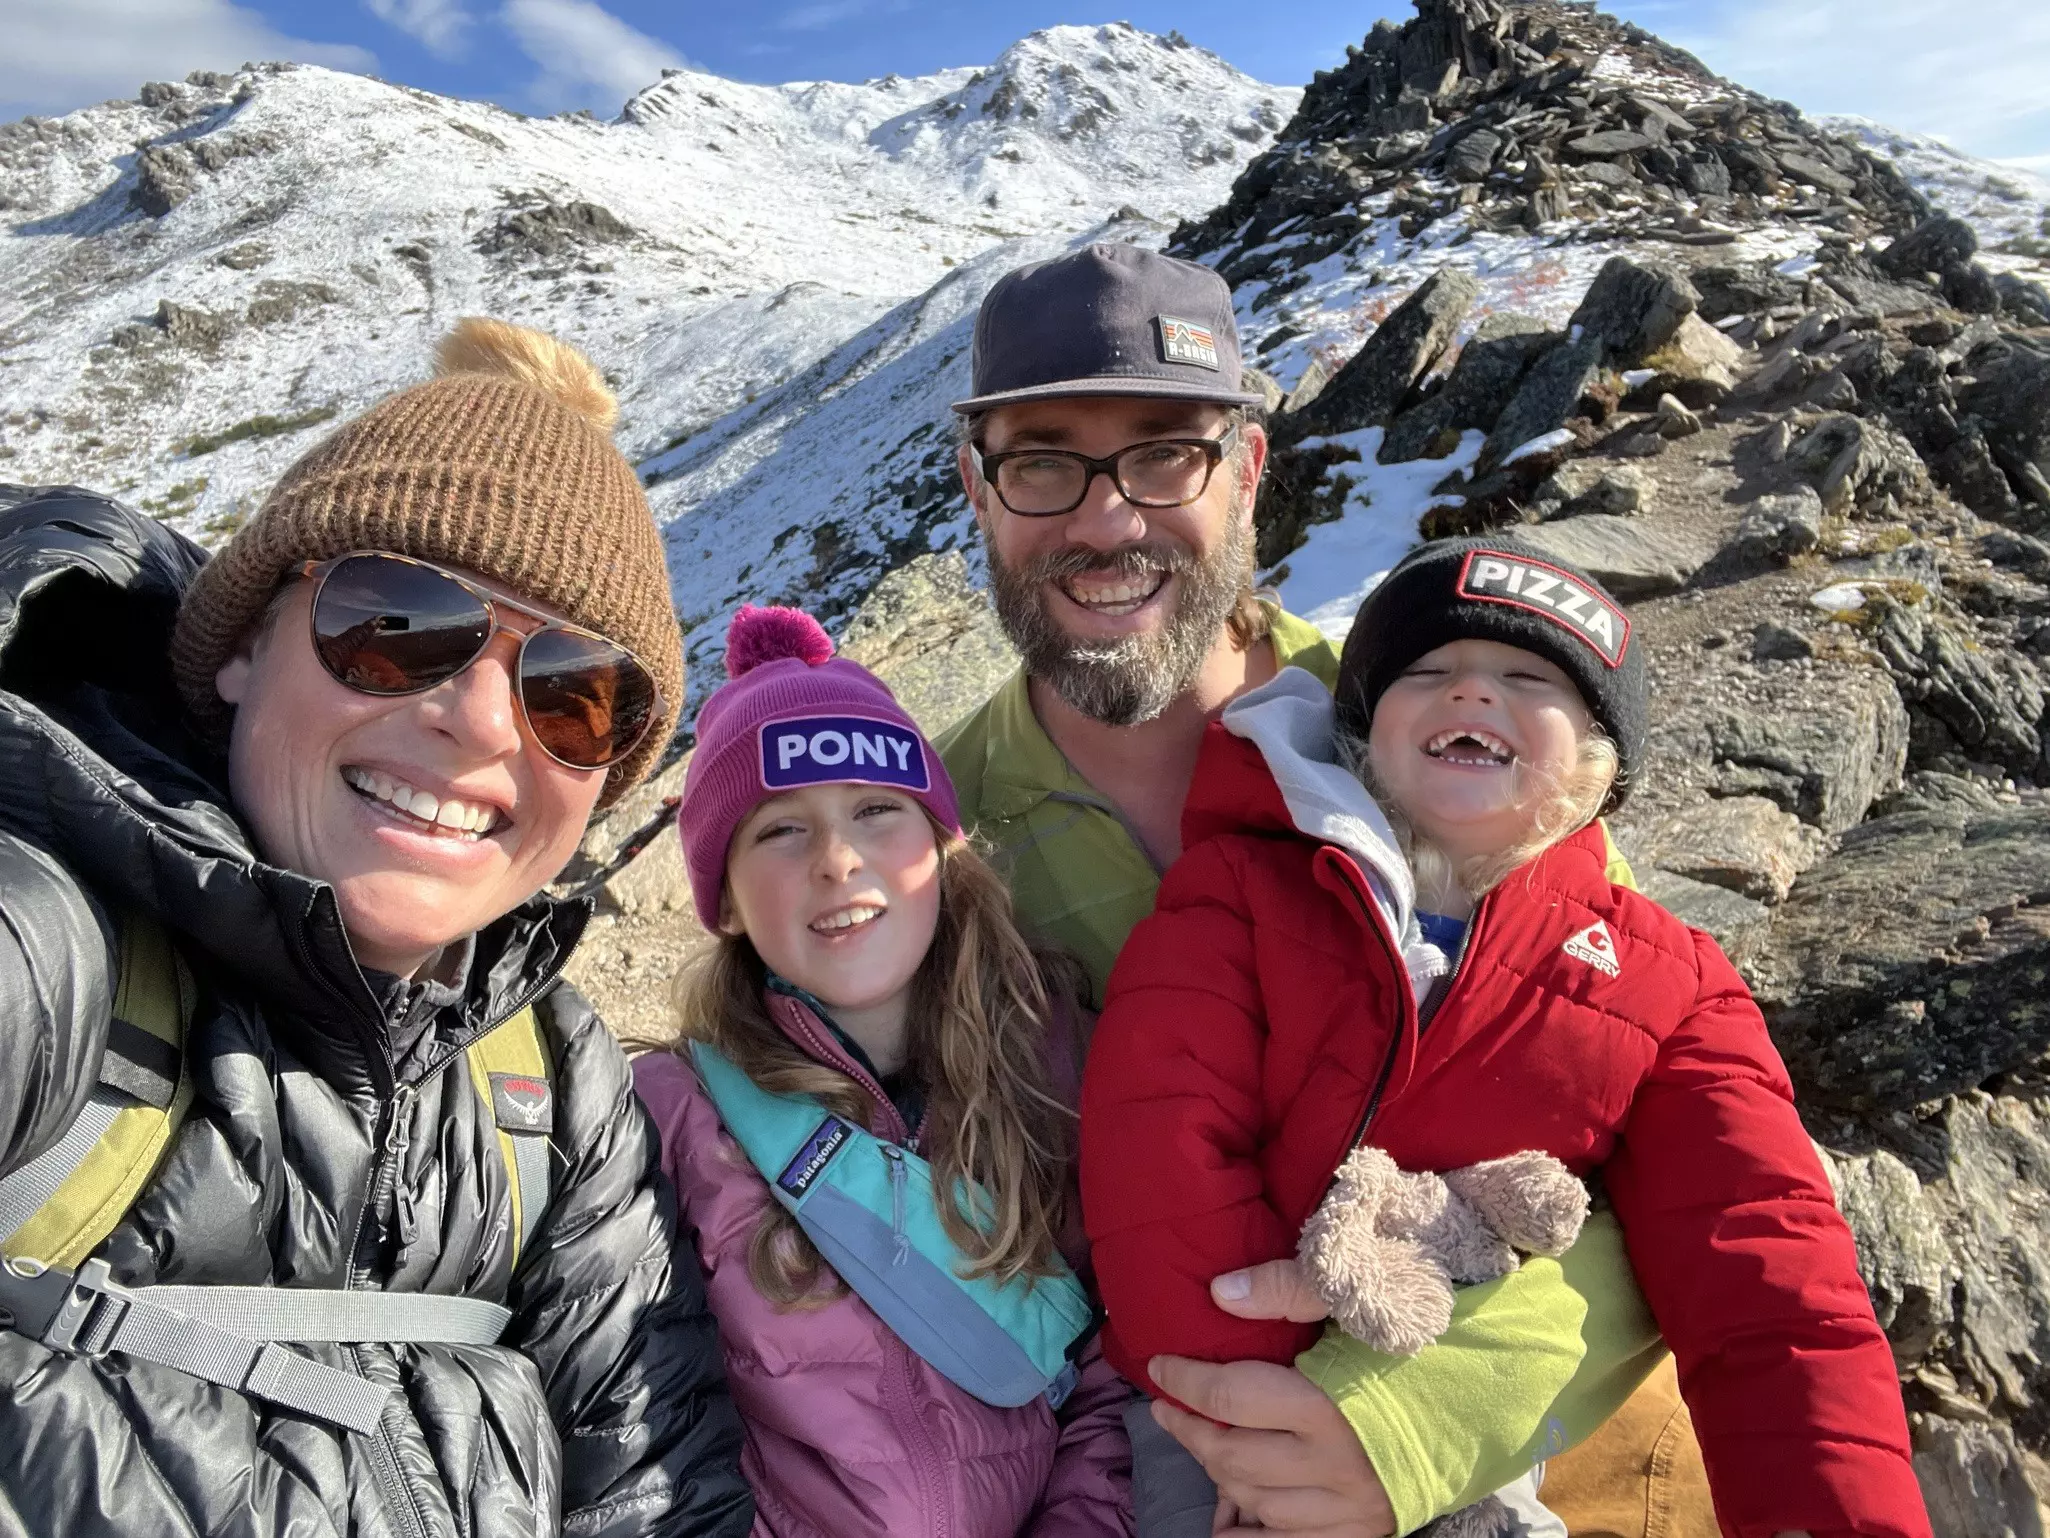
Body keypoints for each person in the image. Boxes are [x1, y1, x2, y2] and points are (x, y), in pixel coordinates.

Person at [934, 242, 1716, 1536]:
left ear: (1245, 470)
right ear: (978, 489)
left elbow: (1664, 1115)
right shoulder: (931, 834)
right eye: (1039, 459)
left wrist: (1403, 1426)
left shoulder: (1445, 733)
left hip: (1506, 1425)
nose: (1105, 519)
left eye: (1164, 452)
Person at [0, 321, 750, 1535]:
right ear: (244, 641)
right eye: (394, 621)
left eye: (571, 691)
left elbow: (661, 1492)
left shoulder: (553, 1083)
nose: (485, 722)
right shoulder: (44, 948)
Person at [1082, 537, 1929, 1538]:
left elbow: (1770, 1279)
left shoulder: (1672, 983)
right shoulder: (1241, 890)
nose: (1471, 694)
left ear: (1600, 760)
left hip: (1462, 1443)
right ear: (1361, 731)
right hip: (1208, 1421)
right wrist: (1260, 1407)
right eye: (1427, 672)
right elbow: (1154, 1141)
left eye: (1529, 677)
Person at [633, 604, 1130, 1536]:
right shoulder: (671, 1120)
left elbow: (1114, 1365)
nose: (838, 859)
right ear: (726, 898)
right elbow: (650, 1422)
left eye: (876, 810)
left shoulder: (1057, 1063)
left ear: (940, 849)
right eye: (779, 830)